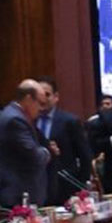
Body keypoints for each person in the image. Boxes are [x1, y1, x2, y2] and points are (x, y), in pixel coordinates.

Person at [0, 80, 51, 209]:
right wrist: (46, 152)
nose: (41, 109)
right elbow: (34, 155)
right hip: (19, 194)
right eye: (40, 103)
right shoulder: (15, 119)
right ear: (28, 98)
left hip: (21, 192)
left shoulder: (16, 115)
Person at [36, 77, 92, 205]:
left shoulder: (69, 121)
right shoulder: (30, 121)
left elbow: (85, 156)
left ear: (56, 97)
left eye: (47, 95)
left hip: (65, 186)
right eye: (38, 95)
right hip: (39, 187)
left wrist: (80, 186)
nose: (42, 99)